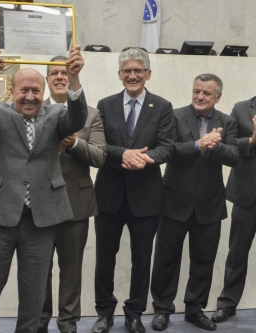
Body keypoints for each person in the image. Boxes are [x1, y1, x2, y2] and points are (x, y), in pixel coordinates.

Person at [0, 46, 88, 333]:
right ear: (12, 90)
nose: (30, 97)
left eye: (36, 90)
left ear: (43, 90)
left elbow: (78, 119)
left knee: (34, 296)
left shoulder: (57, 114)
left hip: (41, 219)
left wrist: (73, 79)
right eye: (24, 90)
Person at [92, 48, 174, 333]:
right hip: (108, 196)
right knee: (104, 257)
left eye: (138, 70)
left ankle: (135, 312)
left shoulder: (162, 106)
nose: (133, 75)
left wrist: (146, 158)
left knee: (142, 259)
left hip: (146, 198)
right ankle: (104, 312)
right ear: (119, 75)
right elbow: (99, 145)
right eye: (127, 71)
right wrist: (123, 154)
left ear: (148, 74)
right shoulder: (105, 104)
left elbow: (168, 146)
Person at [150, 73, 239, 331]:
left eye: (207, 93)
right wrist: (199, 144)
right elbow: (169, 150)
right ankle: (162, 310)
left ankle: (194, 309)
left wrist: (217, 146)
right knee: (166, 260)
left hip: (210, 206)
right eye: (196, 91)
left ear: (218, 97)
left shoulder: (228, 121)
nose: (200, 96)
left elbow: (234, 157)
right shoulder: (175, 116)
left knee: (203, 262)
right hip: (174, 202)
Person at [37, 56, 106, 333]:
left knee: (71, 272)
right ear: (47, 79)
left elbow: (100, 156)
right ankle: (39, 323)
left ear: (72, 77)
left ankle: (68, 325)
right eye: (53, 73)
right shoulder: (32, 109)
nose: (59, 77)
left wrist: (75, 142)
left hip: (76, 204)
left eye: (64, 73)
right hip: (39, 203)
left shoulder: (91, 114)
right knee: (38, 271)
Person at [211, 94, 256, 323]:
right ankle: (227, 303)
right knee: (237, 253)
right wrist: (251, 140)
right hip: (248, 195)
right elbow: (229, 146)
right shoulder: (241, 108)